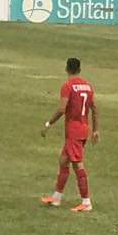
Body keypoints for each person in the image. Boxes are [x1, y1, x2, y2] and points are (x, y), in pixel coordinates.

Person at [40, 58, 97, 213]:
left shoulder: (68, 86)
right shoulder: (87, 86)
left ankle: (86, 202)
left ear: (67, 69)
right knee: (63, 160)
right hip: (84, 129)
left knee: (77, 164)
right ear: (79, 69)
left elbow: (61, 109)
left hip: (74, 131)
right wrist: (96, 130)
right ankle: (57, 197)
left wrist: (48, 124)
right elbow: (94, 107)